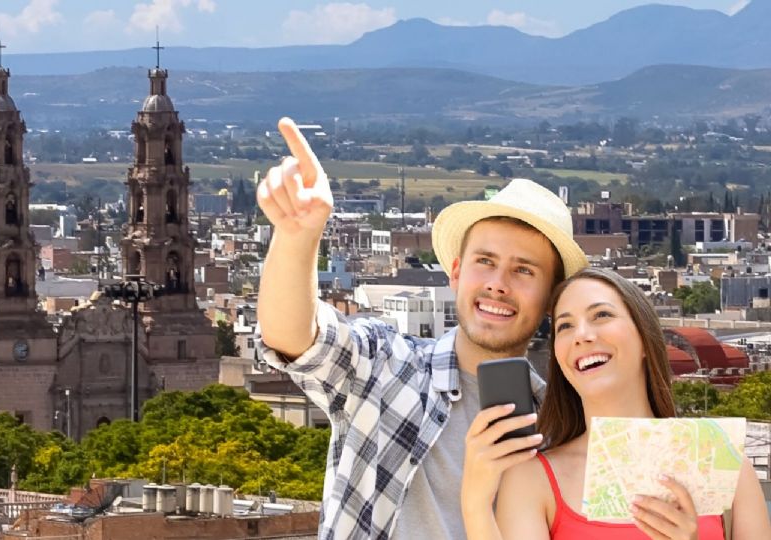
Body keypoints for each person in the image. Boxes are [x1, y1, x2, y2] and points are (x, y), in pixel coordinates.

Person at [254, 117, 588, 539]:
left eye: (523, 270)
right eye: (485, 261)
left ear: (552, 297)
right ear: (456, 273)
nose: (498, 284)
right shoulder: (387, 367)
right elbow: (291, 337)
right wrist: (296, 237)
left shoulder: (561, 427)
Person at [460, 267, 771, 539]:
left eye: (601, 315)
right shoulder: (531, 479)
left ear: (645, 338)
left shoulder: (727, 465)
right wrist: (474, 505)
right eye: (565, 326)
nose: (581, 335)